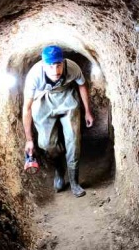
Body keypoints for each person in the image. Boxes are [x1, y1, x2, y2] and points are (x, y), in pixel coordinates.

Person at [23, 45, 94, 197]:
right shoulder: (35, 75)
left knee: (74, 141)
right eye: (50, 66)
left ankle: (74, 181)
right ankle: (59, 170)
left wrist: (87, 111)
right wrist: (29, 140)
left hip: (67, 97)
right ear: (44, 64)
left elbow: (82, 85)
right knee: (47, 144)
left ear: (63, 62)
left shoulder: (72, 68)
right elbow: (27, 108)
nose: (55, 71)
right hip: (44, 100)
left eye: (58, 65)